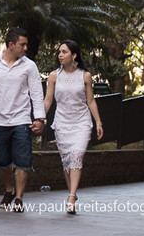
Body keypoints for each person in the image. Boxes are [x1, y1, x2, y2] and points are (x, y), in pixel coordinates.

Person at [0, 27, 46, 213]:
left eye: (26, 44)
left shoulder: (29, 66)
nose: (25, 48)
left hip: (21, 119)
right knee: (3, 160)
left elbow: (37, 94)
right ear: (11, 44)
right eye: (22, 44)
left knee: (23, 160)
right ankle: (9, 190)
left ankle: (19, 198)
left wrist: (39, 119)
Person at [44, 40, 103, 215]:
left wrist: (98, 122)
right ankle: (73, 195)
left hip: (82, 123)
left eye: (64, 52)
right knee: (67, 162)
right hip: (62, 123)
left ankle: (71, 195)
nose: (60, 55)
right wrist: (40, 119)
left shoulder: (85, 76)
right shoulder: (54, 76)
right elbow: (48, 100)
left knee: (76, 155)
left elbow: (91, 101)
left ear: (74, 55)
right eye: (59, 52)